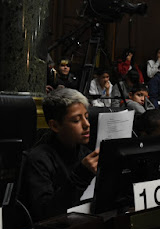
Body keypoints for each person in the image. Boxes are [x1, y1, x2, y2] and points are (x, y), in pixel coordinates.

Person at [18, 88, 99, 222]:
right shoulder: (38, 159)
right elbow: (46, 213)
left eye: (86, 117)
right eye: (76, 120)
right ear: (55, 126)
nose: (87, 125)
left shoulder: (85, 153)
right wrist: (81, 176)